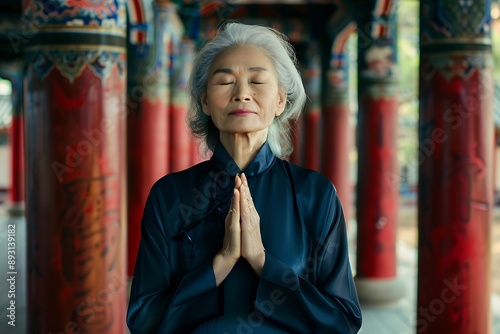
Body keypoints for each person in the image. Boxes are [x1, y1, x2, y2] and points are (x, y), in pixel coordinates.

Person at [126, 22, 362, 333]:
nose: (242, 94)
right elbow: (144, 320)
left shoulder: (315, 194)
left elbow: (342, 320)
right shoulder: (170, 195)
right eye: (225, 82)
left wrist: (263, 263)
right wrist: (219, 264)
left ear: (280, 100)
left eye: (257, 81)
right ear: (206, 101)